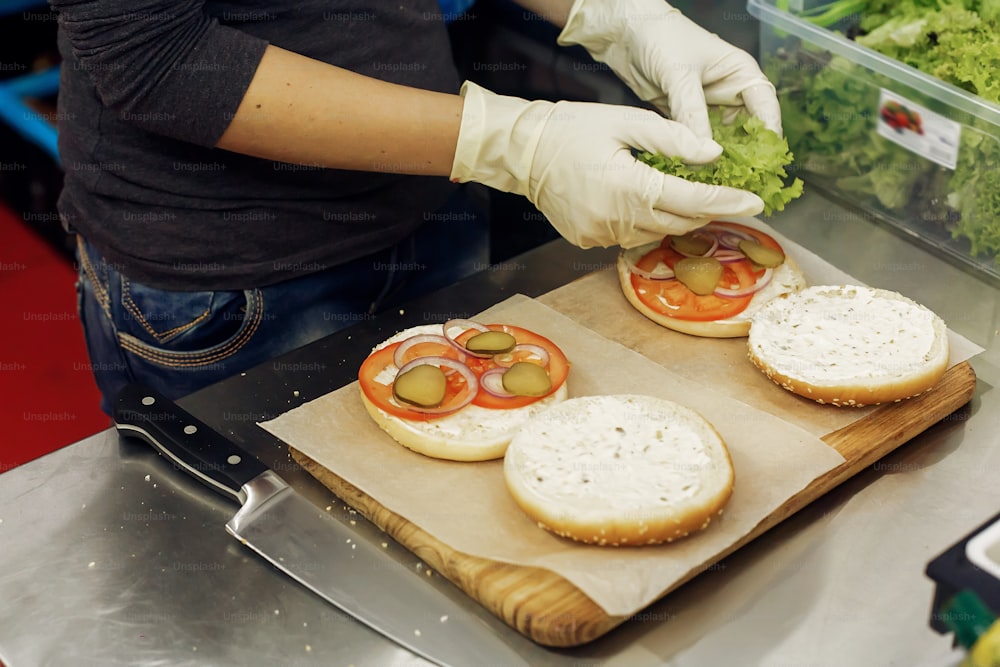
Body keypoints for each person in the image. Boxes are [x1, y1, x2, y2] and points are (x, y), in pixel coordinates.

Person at [51, 0, 782, 415]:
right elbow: (156, 58)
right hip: (233, 279)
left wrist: (613, 15)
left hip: (430, 196)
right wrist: (509, 142)